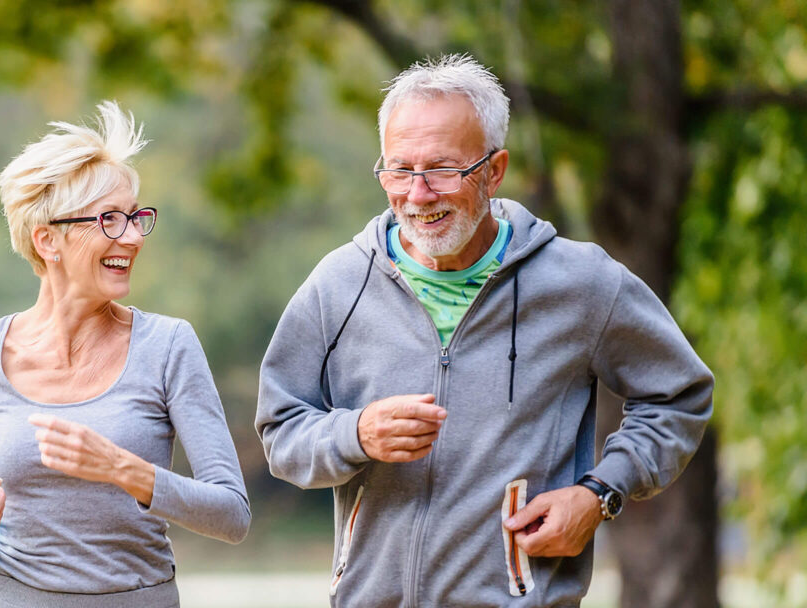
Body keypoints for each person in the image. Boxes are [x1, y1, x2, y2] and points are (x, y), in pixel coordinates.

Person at [255, 54, 713, 606]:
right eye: (399, 170)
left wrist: (599, 495)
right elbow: (281, 429)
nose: (418, 194)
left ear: (494, 170)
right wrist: (355, 435)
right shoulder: (340, 284)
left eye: (443, 169)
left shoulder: (581, 283)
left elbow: (678, 396)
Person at [0, 100, 250, 607]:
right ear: (48, 239)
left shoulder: (168, 345)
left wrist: (123, 468)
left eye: (137, 217)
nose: (134, 237)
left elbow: (232, 515)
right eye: (111, 220)